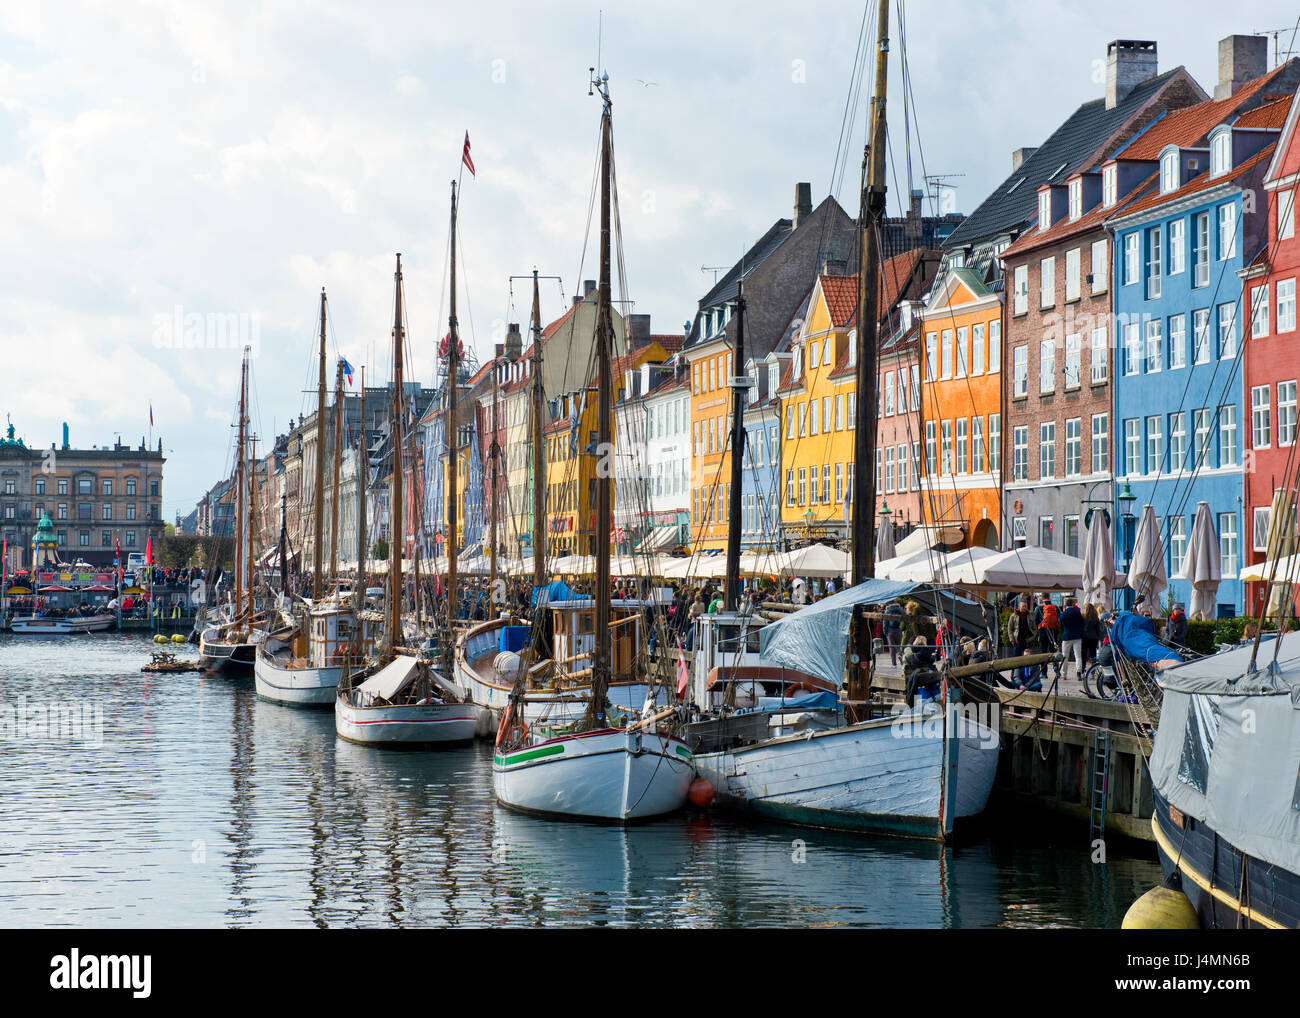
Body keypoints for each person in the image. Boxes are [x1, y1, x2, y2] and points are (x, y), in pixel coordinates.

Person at [901, 635, 938, 708]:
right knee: (935, 675)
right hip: (924, 672)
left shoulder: (913, 649)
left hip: (914, 672)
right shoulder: (923, 649)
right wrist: (934, 656)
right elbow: (930, 660)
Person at [1032, 593, 1061, 683]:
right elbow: (1060, 619)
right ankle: (1056, 669)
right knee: (1053, 650)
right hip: (1053, 632)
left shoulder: (1039, 608)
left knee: (1043, 652)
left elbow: (1035, 620)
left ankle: (1044, 672)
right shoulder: (1055, 607)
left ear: (1042, 598)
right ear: (1049, 597)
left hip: (1043, 631)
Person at [1059, 596, 1084, 682]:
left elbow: (1060, 623)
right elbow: (1082, 623)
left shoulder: (1064, 613)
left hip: (1067, 636)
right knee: (1078, 656)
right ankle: (1078, 673)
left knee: (1065, 656)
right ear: (1073, 604)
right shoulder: (1077, 612)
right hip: (1077, 636)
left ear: (1066, 604)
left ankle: (1064, 674)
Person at [884, 600, 905, 667]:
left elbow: (885, 623)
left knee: (892, 648)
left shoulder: (887, 611)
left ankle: (894, 664)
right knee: (900, 646)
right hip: (899, 630)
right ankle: (902, 661)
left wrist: (885, 632)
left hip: (890, 631)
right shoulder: (901, 611)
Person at [1082, 602, 1102, 669]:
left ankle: (1083, 669)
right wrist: (1099, 637)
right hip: (1094, 637)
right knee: (1093, 654)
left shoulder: (1083, 616)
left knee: (1083, 654)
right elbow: (1098, 628)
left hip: (1084, 637)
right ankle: (1093, 669)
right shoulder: (1095, 617)